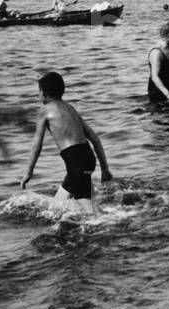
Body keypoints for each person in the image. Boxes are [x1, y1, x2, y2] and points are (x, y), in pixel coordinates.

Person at [19, 72, 112, 215]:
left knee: (91, 210)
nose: (37, 95)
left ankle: (108, 224)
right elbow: (95, 139)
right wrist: (105, 169)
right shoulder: (71, 109)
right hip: (88, 157)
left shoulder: (44, 111)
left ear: (44, 92)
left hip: (75, 160)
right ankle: (104, 218)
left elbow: (36, 145)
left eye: (38, 91)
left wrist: (28, 172)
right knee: (56, 207)